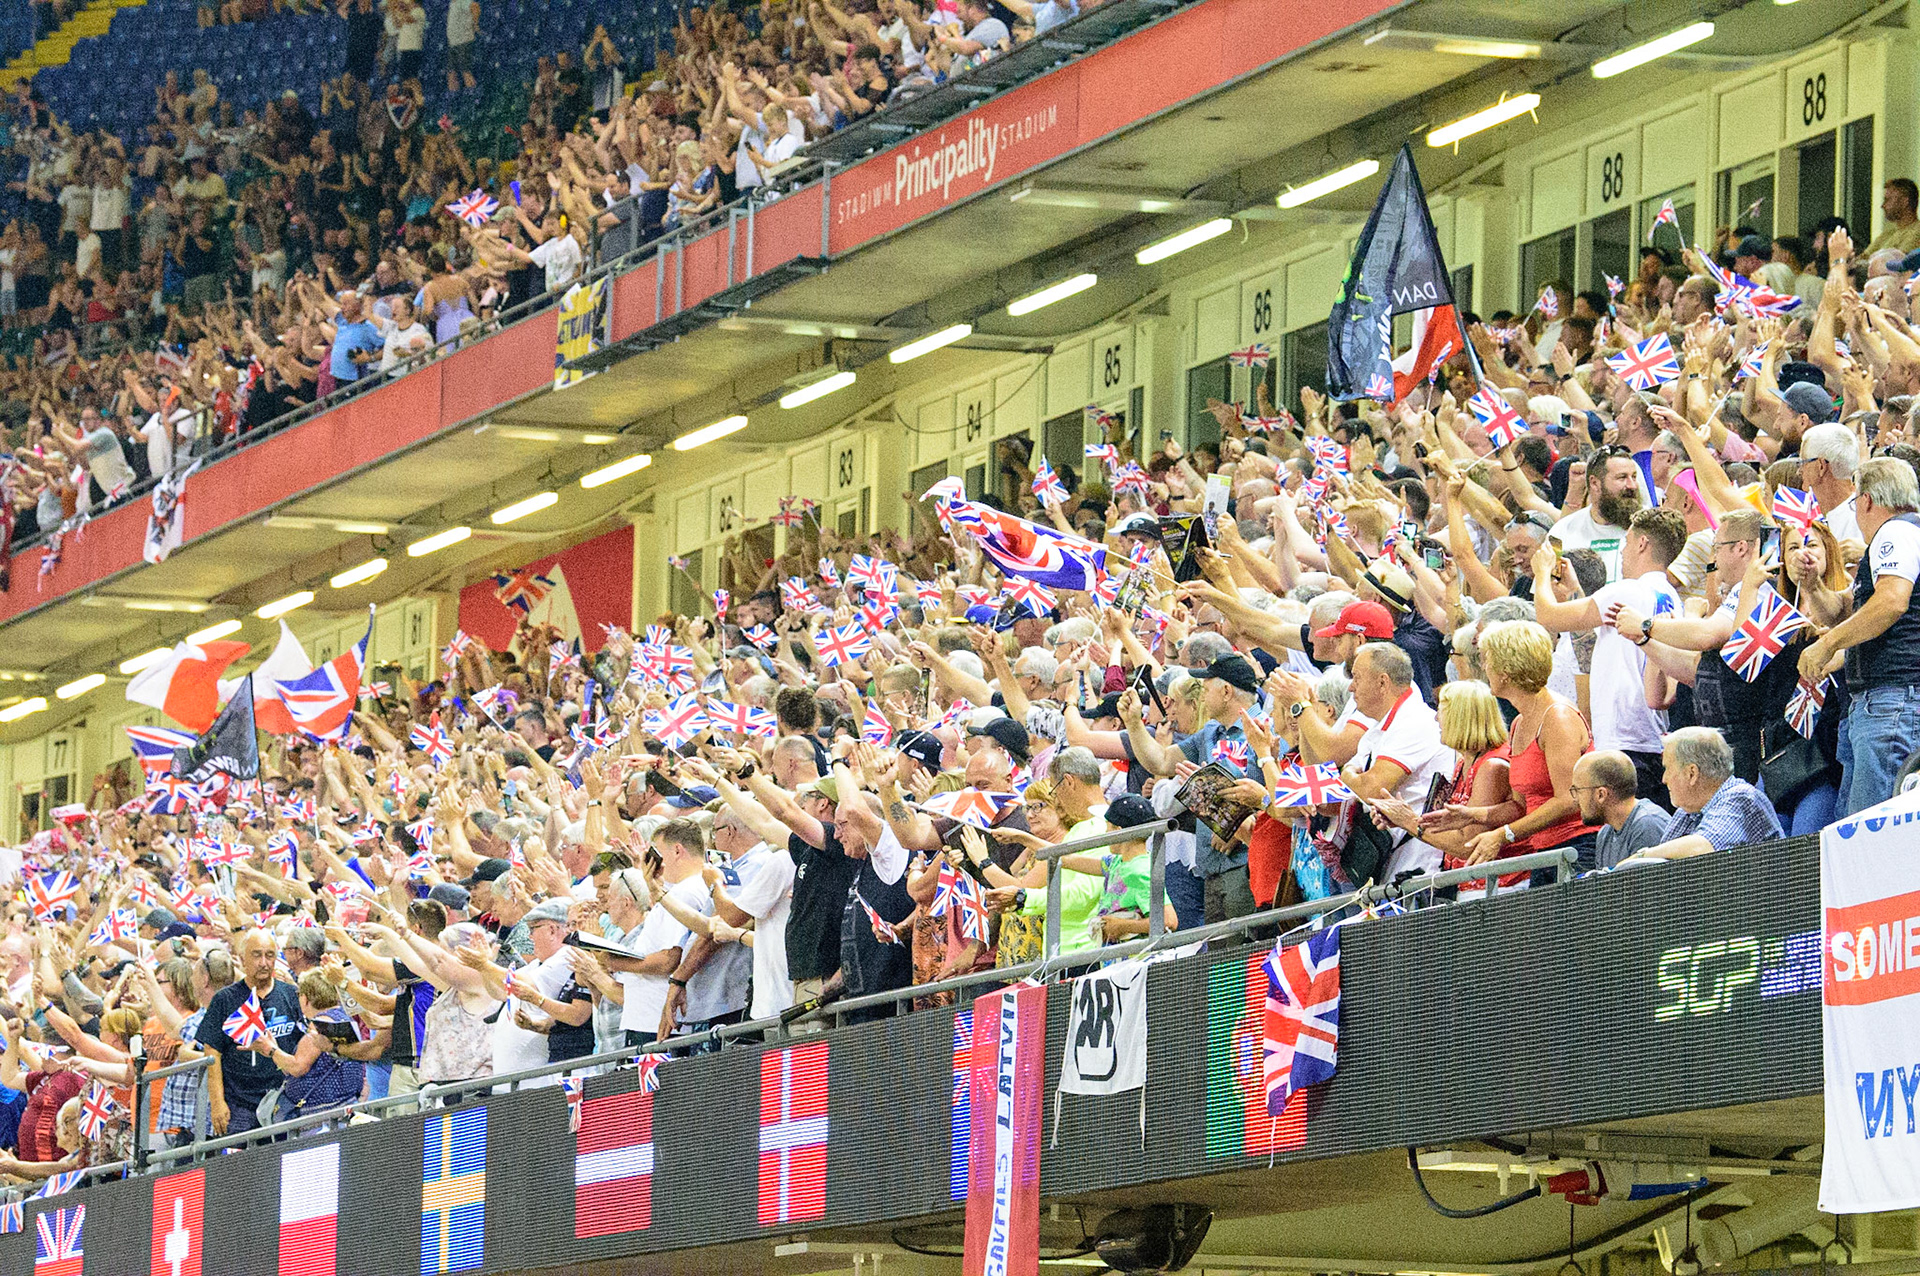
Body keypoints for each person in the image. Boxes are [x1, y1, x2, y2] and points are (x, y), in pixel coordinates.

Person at [1797, 457, 1920, 814]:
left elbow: (1892, 602)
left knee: (1875, 829)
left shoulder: (1897, 532)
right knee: (1854, 828)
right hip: (1877, 704)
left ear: (1866, 500)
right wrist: (1812, 585)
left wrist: (1828, 643)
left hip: (1892, 700)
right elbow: (1843, 611)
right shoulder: (1902, 536)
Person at [1339, 642, 1455, 879]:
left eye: (1357, 678)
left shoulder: (1415, 722)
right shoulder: (1381, 723)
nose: (1351, 687)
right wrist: (1352, 776)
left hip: (1419, 863)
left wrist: (1348, 774)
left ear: (1382, 682)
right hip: (1391, 857)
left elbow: (1371, 789)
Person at [195, 928, 305, 1136]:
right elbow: (212, 1053)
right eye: (257, 955)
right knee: (238, 1167)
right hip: (239, 1105)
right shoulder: (225, 999)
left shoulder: (292, 995)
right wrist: (218, 1102)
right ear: (242, 958)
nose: (264, 962)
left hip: (284, 1100)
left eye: (269, 955)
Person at [1629, 727, 1782, 860]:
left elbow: (1704, 847)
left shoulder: (1741, 797)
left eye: (1667, 769)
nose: (1664, 779)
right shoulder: (1687, 811)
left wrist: (1641, 856)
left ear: (1692, 773)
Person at [1572, 751, 1671, 868]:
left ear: (1601, 794)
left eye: (1577, 790)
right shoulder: (1605, 834)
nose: (1575, 800)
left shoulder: (1647, 826)